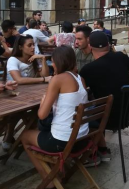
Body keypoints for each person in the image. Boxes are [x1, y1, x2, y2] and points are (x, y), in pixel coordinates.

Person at [21, 45, 90, 188]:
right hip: (82, 139)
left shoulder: (58, 79)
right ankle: (57, 170)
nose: (52, 65)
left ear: (58, 61)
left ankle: (49, 179)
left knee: (25, 136)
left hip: (62, 142)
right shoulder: (80, 79)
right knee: (40, 129)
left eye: (52, 62)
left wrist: (43, 102)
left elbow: (42, 115)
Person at [79, 32, 129, 161]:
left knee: (80, 114)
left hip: (107, 118)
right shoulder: (120, 57)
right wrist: (127, 80)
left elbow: (81, 93)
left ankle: (92, 153)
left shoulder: (88, 69)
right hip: (127, 114)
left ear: (90, 46)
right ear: (108, 45)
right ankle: (102, 150)